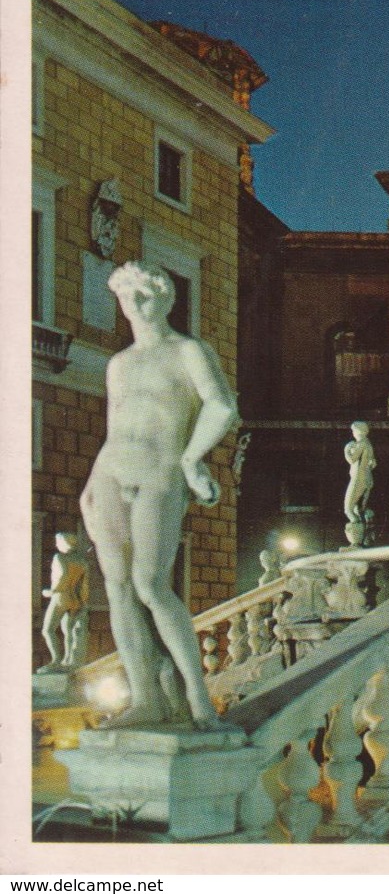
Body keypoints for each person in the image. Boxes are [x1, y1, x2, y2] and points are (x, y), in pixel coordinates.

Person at [80, 261, 237, 728]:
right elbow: (115, 427)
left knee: (150, 584)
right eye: (127, 297)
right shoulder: (119, 363)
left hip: (159, 474)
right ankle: (145, 698)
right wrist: (91, 482)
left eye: (144, 295)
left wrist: (192, 460)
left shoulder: (188, 350)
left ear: (166, 299)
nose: (135, 304)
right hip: (109, 473)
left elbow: (222, 405)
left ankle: (198, 700)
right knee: (118, 589)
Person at [39, 532, 91, 671]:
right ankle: (68, 660)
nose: (56, 544)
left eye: (58, 542)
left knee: (48, 630)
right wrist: (82, 602)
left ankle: (56, 660)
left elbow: (63, 575)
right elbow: (84, 585)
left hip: (61, 597)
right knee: (68, 630)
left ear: (64, 543)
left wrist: (52, 591)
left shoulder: (60, 557)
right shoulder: (82, 561)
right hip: (75, 599)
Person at [343, 421, 376, 524]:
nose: (352, 432)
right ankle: (367, 520)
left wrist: (347, 450)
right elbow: (373, 463)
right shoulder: (368, 443)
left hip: (358, 478)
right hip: (367, 478)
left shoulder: (361, 443)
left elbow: (352, 460)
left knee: (348, 510)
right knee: (358, 508)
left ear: (358, 431)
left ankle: (356, 535)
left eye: (353, 430)